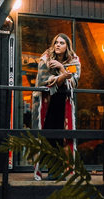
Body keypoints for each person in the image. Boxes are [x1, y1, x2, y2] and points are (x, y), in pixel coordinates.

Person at [33, 33, 81, 180]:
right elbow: (44, 80)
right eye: (56, 42)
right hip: (47, 102)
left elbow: (73, 82)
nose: (58, 45)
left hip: (64, 102)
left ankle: (61, 170)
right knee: (47, 135)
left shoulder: (74, 61)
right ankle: (50, 170)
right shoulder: (46, 59)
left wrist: (61, 68)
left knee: (63, 137)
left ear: (67, 46)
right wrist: (62, 76)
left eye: (61, 43)